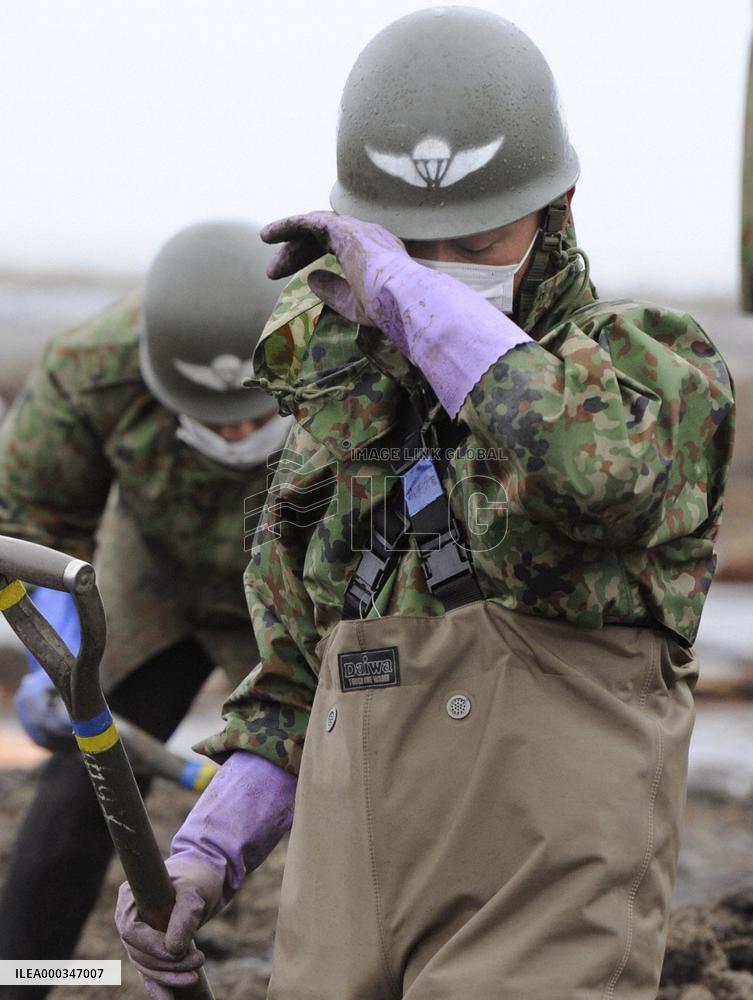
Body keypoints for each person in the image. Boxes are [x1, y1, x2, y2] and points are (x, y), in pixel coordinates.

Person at [115, 10, 736, 999]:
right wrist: (205, 853)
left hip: (543, 910)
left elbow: (593, 469)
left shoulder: (646, 369)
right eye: (407, 247)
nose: (437, 270)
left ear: (560, 204)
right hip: (338, 915)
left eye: (476, 239)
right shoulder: (339, 427)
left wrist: (408, 301)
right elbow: (293, 689)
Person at [0, 219, 290, 995]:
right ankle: (19, 979)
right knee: (82, 788)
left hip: (296, 577)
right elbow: (28, 520)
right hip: (150, 576)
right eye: (214, 415)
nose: (235, 430)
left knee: (353, 777)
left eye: (253, 414)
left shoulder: (346, 356)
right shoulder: (90, 368)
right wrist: (54, 655)